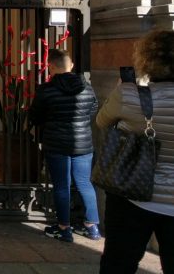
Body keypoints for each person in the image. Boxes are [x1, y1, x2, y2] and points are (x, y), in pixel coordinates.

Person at [97, 30, 174, 273]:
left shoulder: (130, 95)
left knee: (118, 264)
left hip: (132, 194)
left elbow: (101, 121)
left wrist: (121, 91)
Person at [29, 49, 99, 242]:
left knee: (61, 186)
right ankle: (91, 226)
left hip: (56, 143)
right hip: (83, 143)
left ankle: (64, 228)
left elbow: (35, 116)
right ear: (72, 66)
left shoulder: (46, 90)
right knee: (85, 183)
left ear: (50, 66)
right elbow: (94, 108)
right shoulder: (87, 87)